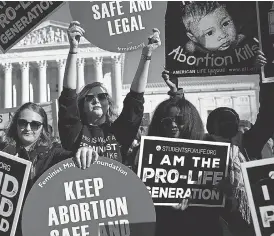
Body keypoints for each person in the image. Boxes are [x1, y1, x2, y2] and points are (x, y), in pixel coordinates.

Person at [58, 21, 161, 165]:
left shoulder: (118, 132)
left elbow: (135, 100)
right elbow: (68, 96)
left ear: (108, 103)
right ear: (82, 104)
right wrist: (73, 49)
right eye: (90, 98)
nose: (96, 101)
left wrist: (147, 55)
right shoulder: (74, 133)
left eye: (101, 97)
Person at [0, 102, 98, 236]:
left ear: (42, 128)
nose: (27, 128)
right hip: (4, 227)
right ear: (16, 124)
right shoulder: (1, 150)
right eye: (22, 123)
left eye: (35, 124)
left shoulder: (53, 151)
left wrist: (84, 150)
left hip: (38, 227)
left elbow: (71, 157)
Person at [142, 70, 222, 236]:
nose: (173, 125)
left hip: (203, 225)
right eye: (167, 122)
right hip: (166, 226)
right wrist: (165, 201)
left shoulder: (208, 147)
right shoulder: (147, 154)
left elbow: (218, 189)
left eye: (180, 121)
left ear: (190, 122)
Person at [204, 50, 274, 236]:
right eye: (223, 120)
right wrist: (175, 92)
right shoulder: (204, 151)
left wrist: (265, 76)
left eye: (232, 119)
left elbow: (268, 115)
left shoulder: (248, 143)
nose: (230, 123)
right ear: (211, 127)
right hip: (215, 218)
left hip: (251, 218)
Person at [181, 1, 248, 53]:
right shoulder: (192, 51)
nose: (223, 35)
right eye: (209, 33)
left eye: (225, 23)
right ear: (193, 38)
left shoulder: (243, 40)